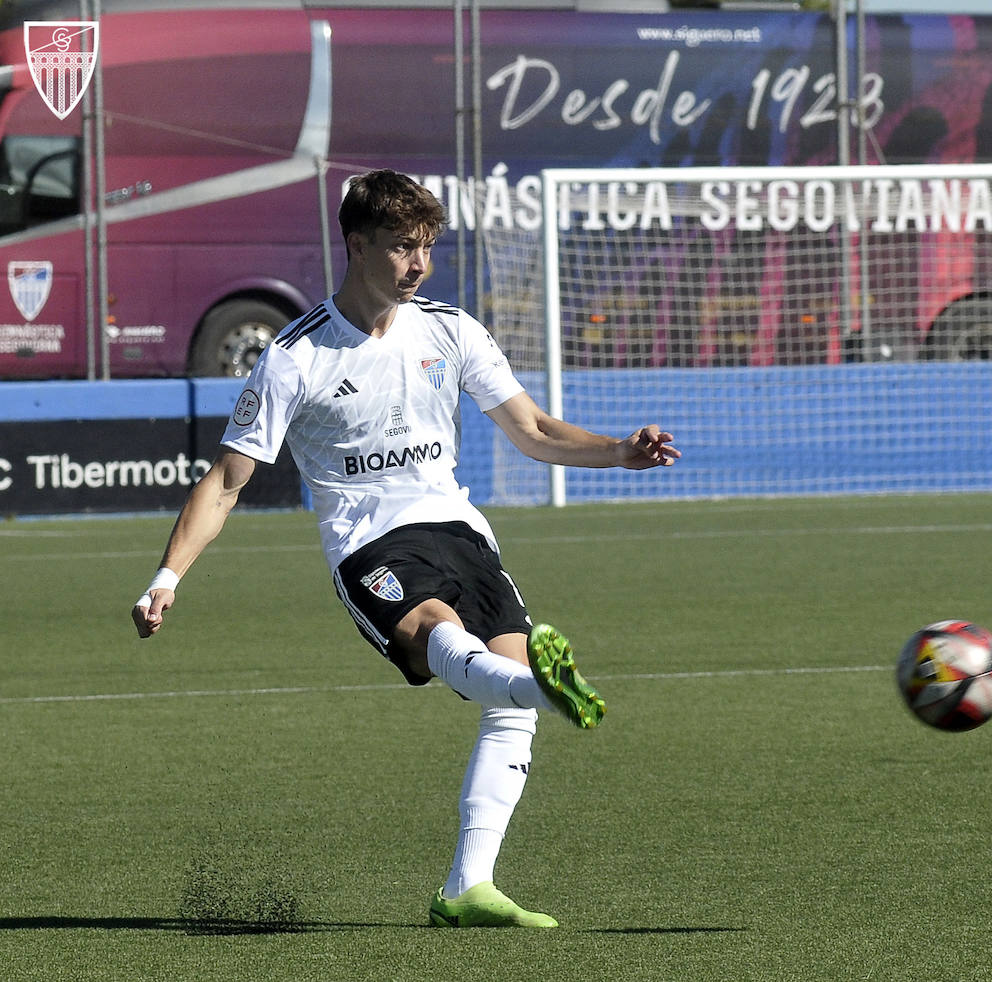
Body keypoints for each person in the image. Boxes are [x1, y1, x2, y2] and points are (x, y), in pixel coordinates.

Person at [131, 169, 679, 928]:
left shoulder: (451, 329)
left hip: (460, 532)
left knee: (505, 695)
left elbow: (536, 430)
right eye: (400, 248)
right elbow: (226, 480)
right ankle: (539, 690)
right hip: (369, 544)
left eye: (425, 247)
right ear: (356, 246)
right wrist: (167, 577)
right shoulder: (296, 355)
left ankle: (467, 888)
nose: (417, 264)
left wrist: (621, 451)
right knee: (437, 635)